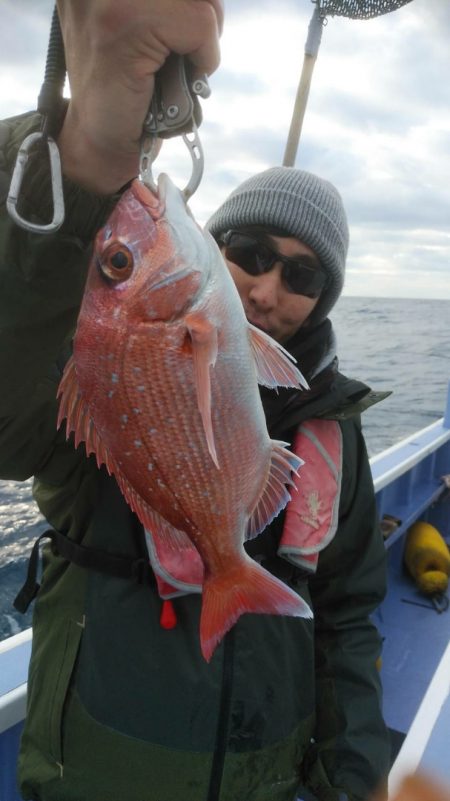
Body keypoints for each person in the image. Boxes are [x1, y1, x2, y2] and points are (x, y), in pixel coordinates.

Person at [0, 2, 390, 800]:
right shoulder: (101, 372)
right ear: (210, 247)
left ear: (323, 300)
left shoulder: (334, 435)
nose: (268, 285)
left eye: (304, 276)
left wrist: (353, 781)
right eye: (249, 253)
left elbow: (347, 617)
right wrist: (84, 157)